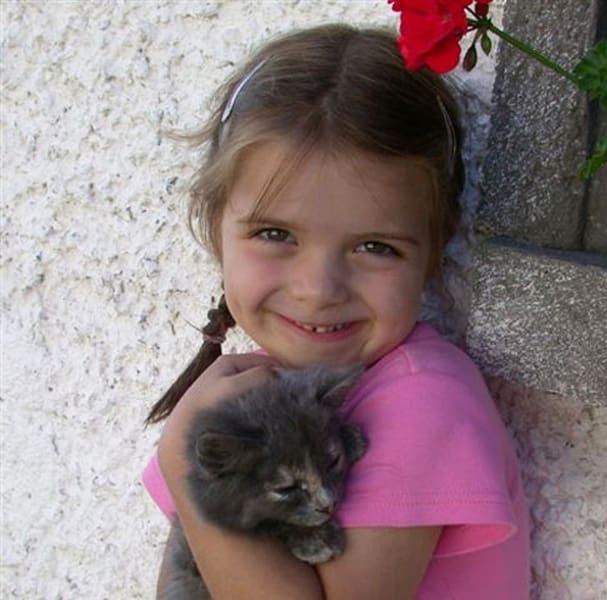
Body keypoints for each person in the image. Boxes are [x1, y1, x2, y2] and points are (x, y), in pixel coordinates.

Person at [142, 24, 530, 599]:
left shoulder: (420, 403)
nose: (318, 289)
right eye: (275, 234)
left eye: (375, 246)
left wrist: (186, 461)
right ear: (215, 226)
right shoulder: (249, 396)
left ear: (434, 250)